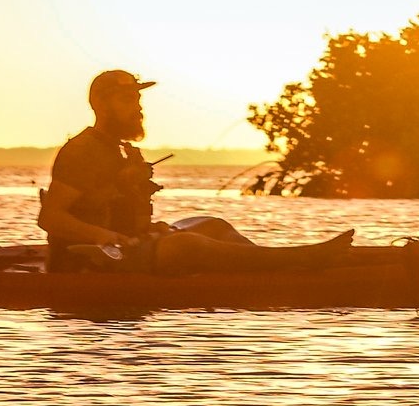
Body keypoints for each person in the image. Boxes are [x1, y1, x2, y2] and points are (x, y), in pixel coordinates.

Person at [38, 69, 355, 274]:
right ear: (101, 104)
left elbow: (123, 210)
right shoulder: (82, 150)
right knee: (187, 245)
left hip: (129, 249)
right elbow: (50, 218)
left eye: (137, 98)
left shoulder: (122, 150)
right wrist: (103, 236)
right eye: (127, 99)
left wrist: (147, 228)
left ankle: (271, 265)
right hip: (92, 260)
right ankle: (297, 262)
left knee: (212, 225)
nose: (138, 107)